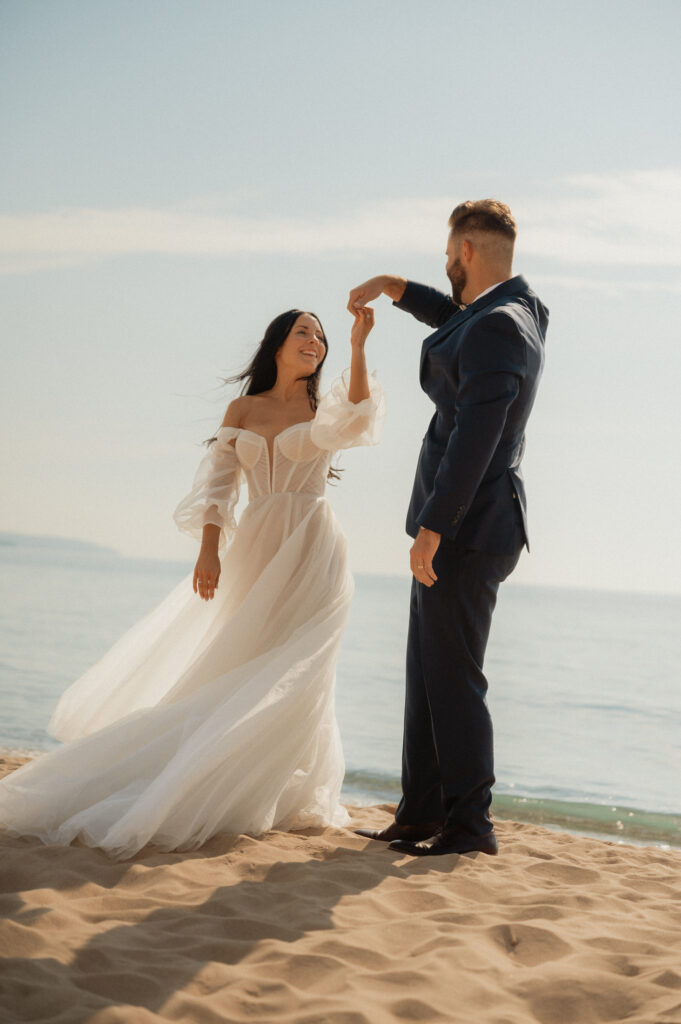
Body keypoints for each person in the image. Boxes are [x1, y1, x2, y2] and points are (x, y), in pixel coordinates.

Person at [0, 306, 383, 860]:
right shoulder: (243, 409)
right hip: (254, 547)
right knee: (241, 660)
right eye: (305, 331)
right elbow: (220, 487)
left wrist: (358, 344)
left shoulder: (322, 407)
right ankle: (208, 771)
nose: (315, 342)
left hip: (313, 547)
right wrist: (208, 550)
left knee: (298, 666)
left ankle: (282, 786)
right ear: (277, 343)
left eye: (321, 337)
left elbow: (362, 419)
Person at [349, 199, 548, 857]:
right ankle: (420, 813)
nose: (445, 266)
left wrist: (434, 524)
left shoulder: (497, 326)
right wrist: (394, 288)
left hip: (467, 527)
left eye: (446, 255)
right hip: (468, 523)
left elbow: (476, 434)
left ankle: (469, 826)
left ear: (465, 251)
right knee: (428, 670)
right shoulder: (516, 311)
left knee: (452, 675)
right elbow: (457, 321)